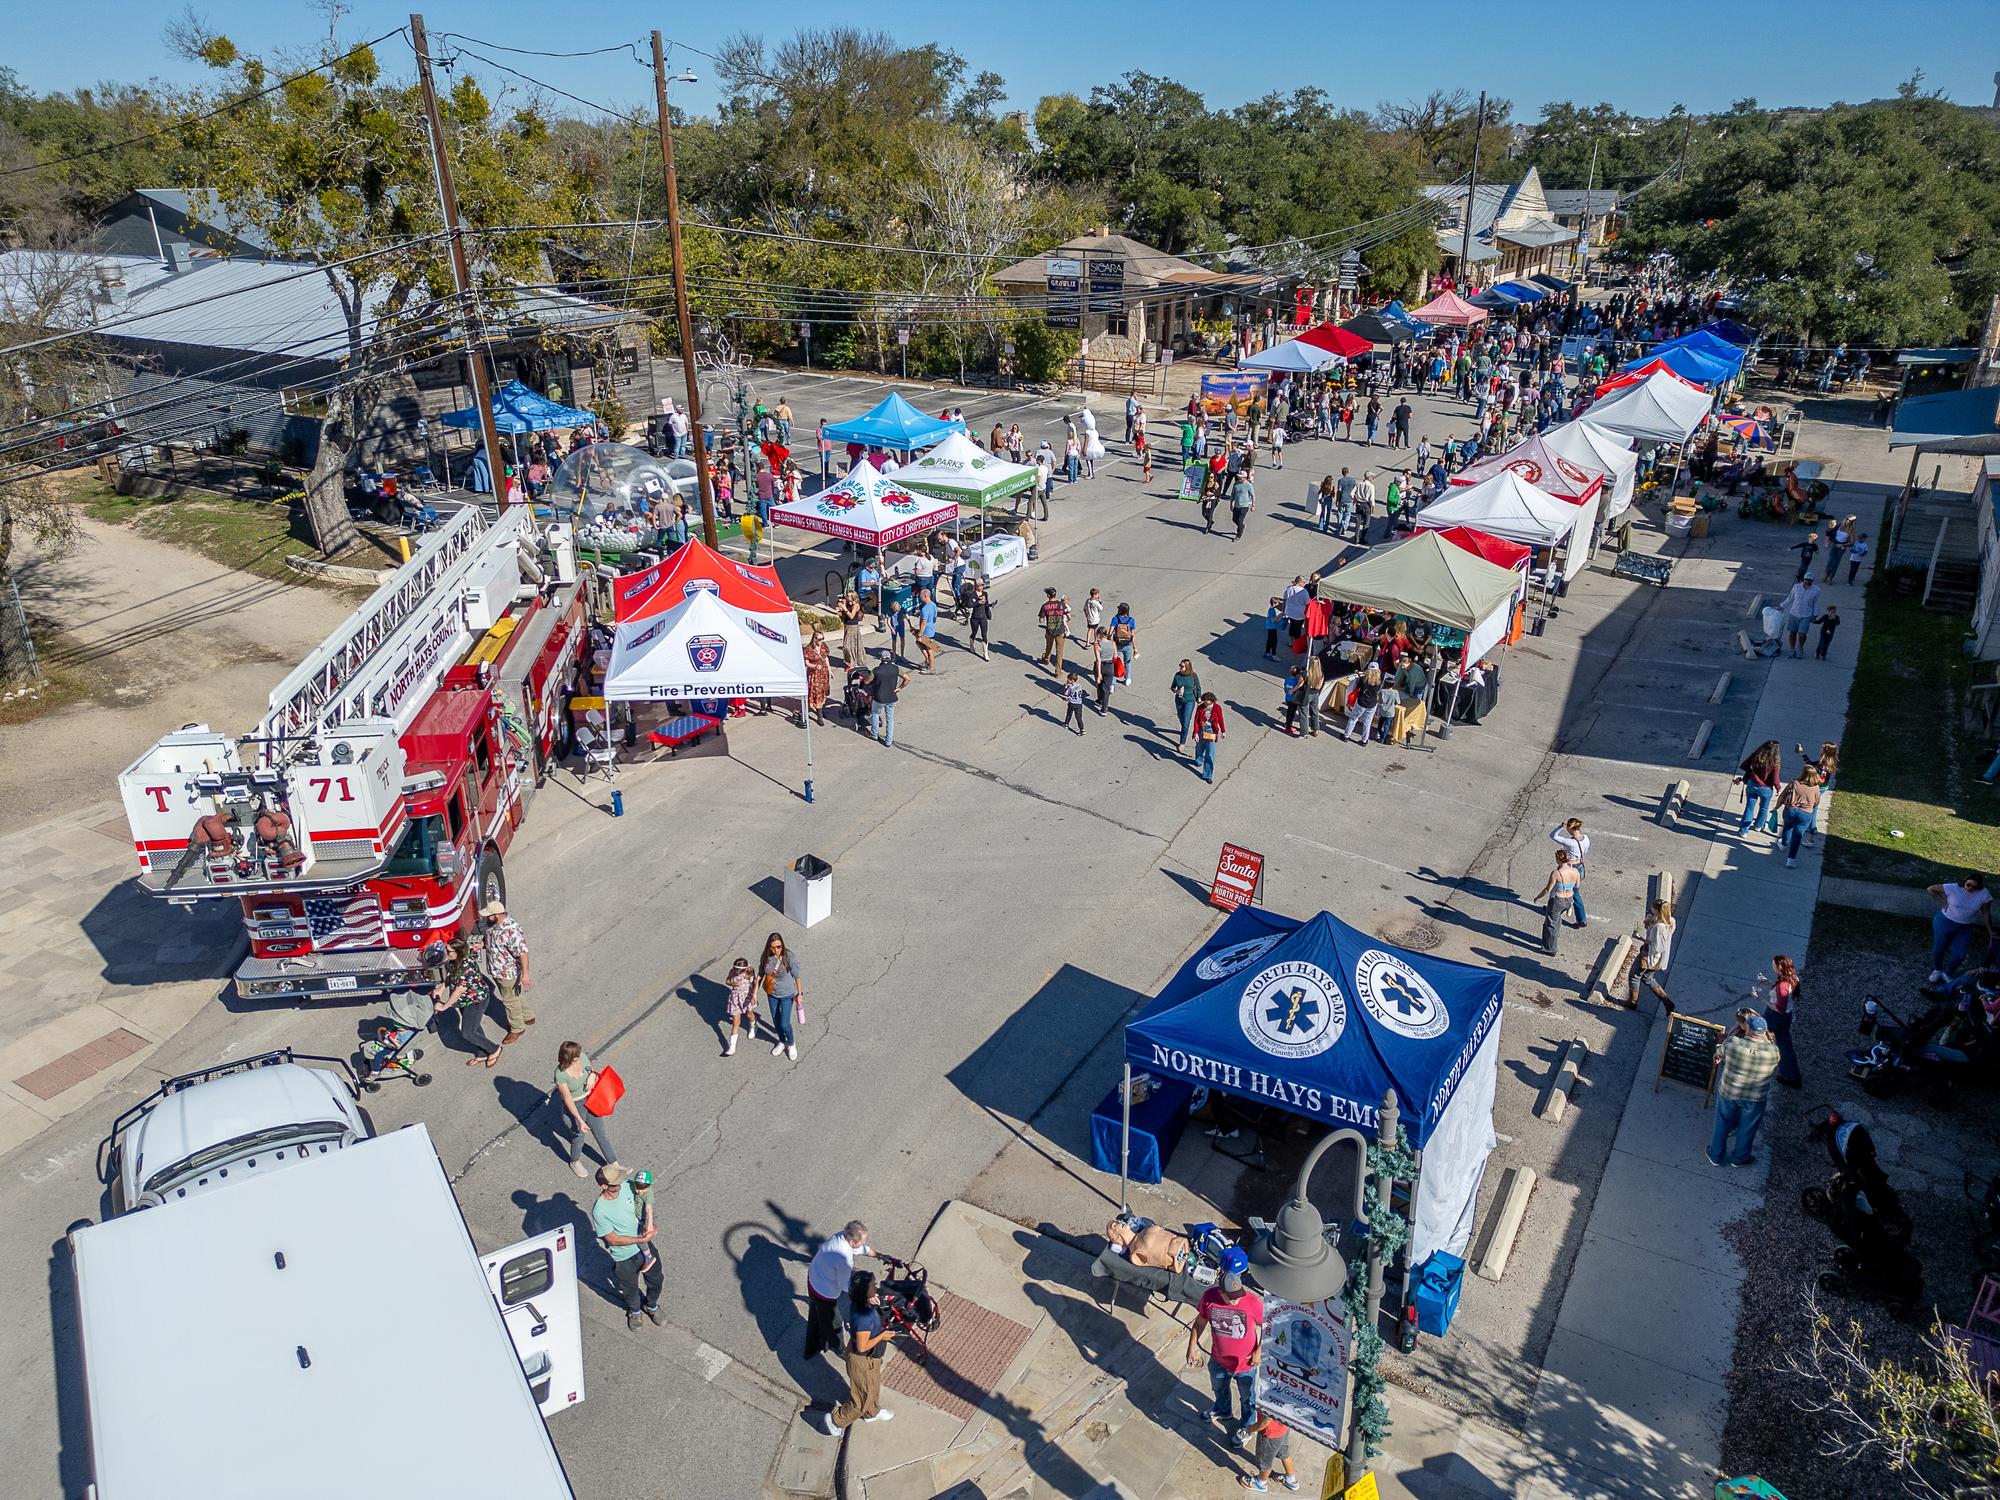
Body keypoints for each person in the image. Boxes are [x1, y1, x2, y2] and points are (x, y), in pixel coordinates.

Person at [1186, 1250, 1263, 1443]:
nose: (1236, 1300)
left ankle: (1247, 1425)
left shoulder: (1252, 1301)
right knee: (1219, 1389)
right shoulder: (1209, 1297)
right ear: (1220, 1292)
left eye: (1238, 1295)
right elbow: (1200, 1322)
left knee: (1248, 1399)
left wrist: (1258, 1350)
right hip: (1219, 1360)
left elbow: (1269, 1327)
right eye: (1231, 1297)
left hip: (1245, 1365)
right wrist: (1192, 1347)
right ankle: (1223, 1410)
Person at [816, 1270, 896, 1434]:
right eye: (873, 1285)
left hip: (870, 1358)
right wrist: (882, 1336)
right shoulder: (863, 1317)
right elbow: (862, 1346)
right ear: (864, 1291)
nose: (876, 1287)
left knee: (872, 1387)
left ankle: (871, 1412)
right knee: (861, 1399)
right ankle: (835, 1421)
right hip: (862, 1360)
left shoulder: (860, 1303)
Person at [591, 1164, 662, 1331]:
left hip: (644, 1244)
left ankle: (651, 1305)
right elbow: (612, 1239)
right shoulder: (600, 1211)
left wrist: (649, 1221)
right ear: (604, 1186)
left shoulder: (628, 1186)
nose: (621, 1183)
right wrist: (640, 1240)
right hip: (624, 1257)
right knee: (630, 1289)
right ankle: (635, 1311)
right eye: (616, 1182)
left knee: (656, 1279)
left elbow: (647, 1192)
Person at [1708, 1010, 1779, 1167]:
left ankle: (1716, 1155)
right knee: (1748, 1128)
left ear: (1748, 1029)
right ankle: (1740, 1158)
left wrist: (1720, 1046)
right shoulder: (1773, 1052)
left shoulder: (1732, 1043)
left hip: (1729, 1092)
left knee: (1722, 1123)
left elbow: (1718, 1052)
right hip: (1755, 1097)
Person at [805, 1220, 873, 1361]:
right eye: (863, 1241)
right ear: (852, 1241)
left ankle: (814, 1345)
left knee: (816, 1315)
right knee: (834, 1323)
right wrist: (866, 1295)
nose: (864, 1243)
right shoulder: (843, 1258)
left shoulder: (841, 1236)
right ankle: (839, 1348)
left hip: (814, 1279)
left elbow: (859, 1248)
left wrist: (879, 1255)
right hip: (824, 1293)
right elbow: (844, 1284)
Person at [552, 1040, 619, 1176]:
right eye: (576, 1057)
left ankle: (615, 1164)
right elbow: (567, 1099)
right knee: (579, 1136)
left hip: (591, 1099)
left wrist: (592, 1075)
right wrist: (580, 1121)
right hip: (575, 1105)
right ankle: (575, 1162)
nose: (580, 1057)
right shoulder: (560, 1074)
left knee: (601, 1133)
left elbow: (591, 1070)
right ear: (570, 1058)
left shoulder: (582, 1057)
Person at [432, 936, 500, 1067]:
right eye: (446, 949)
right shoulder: (453, 962)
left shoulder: (465, 968)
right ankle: (482, 1052)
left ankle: (493, 1049)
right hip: (465, 1001)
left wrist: (444, 1006)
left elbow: (459, 990)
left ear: (458, 952)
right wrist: (441, 989)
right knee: (474, 1027)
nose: (446, 953)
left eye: (449, 951)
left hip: (475, 1001)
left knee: (468, 1033)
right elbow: (450, 976)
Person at [479, 899, 535, 1043]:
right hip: (497, 969)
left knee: (509, 1001)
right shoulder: (494, 925)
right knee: (516, 994)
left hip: (506, 972)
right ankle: (527, 1016)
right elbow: (492, 939)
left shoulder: (511, 931)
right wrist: (482, 944)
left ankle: (517, 1028)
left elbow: (523, 952)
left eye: (489, 915)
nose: (486, 918)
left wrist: (526, 974)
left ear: (497, 915)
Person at [1927, 874, 1994, 983]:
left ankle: (1948, 973)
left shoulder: (1984, 894)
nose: (1970, 888)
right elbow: (1931, 889)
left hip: (1964, 928)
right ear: (1965, 882)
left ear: (1979, 887)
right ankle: (1937, 969)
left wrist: (1990, 930)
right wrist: (1944, 903)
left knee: (1960, 954)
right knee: (1940, 948)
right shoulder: (1953, 888)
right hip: (1944, 922)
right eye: (1968, 885)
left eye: (1975, 887)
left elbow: (1986, 912)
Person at [1757, 954, 1804, 1088]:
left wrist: (1761, 999)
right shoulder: (1792, 978)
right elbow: (1780, 994)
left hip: (1775, 1016)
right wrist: (1768, 983)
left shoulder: (1782, 986)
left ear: (1780, 967)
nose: (1772, 966)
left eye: (1774, 964)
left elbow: (1780, 1008)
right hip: (1786, 1017)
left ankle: (1746, 1058)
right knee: (1784, 1045)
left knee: (1755, 1030)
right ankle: (1791, 1075)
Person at [758, 932, 804, 1060]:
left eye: (779, 947)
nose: (776, 950)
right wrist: (754, 993)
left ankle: (791, 1043)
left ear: (782, 945)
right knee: (776, 1021)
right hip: (772, 994)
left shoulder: (789, 957)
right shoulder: (766, 957)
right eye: (773, 947)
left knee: (784, 1023)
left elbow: (797, 976)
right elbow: (761, 974)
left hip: (787, 994)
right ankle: (782, 1041)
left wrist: (800, 994)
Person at [1627, 897, 1676, 1009]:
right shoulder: (1671, 921)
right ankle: (1667, 1001)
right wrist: (1650, 922)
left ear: (1657, 910)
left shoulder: (1659, 927)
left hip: (1649, 955)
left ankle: (1632, 1002)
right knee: (1648, 978)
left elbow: (1656, 945)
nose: (1651, 910)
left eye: (1653, 909)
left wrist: (1639, 937)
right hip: (1659, 958)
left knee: (1634, 976)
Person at [1533, 847, 1582, 957]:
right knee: (1557, 922)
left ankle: (1550, 949)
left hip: (1557, 900)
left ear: (1559, 860)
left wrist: (1537, 898)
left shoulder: (1556, 873)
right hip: (1569, 899)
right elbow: (1577, 886)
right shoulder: (1575, 871)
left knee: (1551, 924)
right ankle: (1549, 941)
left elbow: (1547, 889)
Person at [1237, 1408, 1298, 1493]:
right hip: (1282, 1428)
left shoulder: (1271, 1403)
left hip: (1269, 1435)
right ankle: (1291, 1480)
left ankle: (1261, 1483)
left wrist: (1250, 1429)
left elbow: (1265, 1422)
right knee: (1284, 1454)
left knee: (1264, 1461)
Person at [1735, 740, 1784, 837]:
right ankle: (1758, 826)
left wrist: (1752, 773)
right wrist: (1778, 788)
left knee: (1749, 808)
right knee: (1764, 808)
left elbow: (1744, 765)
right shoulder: (1775, 763)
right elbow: (1775, 780)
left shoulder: (1756, 756)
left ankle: (1743, 831)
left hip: (1752, 784)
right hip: (1766, 788)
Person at [1775, 766, 1822, 867]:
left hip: (1790, 810)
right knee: (1797, 836)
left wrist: (1777, 806)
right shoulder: (1816, 788)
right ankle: (1791, 860)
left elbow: (1783, 795)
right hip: (1805, 814)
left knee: (1787, 827)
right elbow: (1817, 802)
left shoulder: (1794, 783)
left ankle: (1784, 844)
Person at [1551, 818, 1591, 928]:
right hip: (1580, 867)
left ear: (1570, 828)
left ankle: (1558, 908)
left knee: (1558, 888)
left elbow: (1553, 836)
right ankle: (1581, 918)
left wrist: (1560, 827)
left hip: (1570, 868)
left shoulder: (1570, 842)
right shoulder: (1586, 838)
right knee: (1574, 891)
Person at [721, 955, 760, 1056]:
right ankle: (732, 1047)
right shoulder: (732, 971)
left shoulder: (749, 972)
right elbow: (727, 981)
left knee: (749, 1014)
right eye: (735, 970)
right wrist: (733, 984)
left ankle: (753, 1025)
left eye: (738, 971)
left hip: (747, 997)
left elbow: (755, 984)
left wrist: (754, 996)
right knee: (735, 1022)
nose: (736, 972)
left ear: (744, 969)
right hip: (735, 998)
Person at [868, 651, 907, 748]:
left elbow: (867, 681)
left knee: (875, 714)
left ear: (881, 658)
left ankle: (874, 734)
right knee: (890, 719)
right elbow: (907, 679)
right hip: (892, 697)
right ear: (890, 658)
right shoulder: (896, 668)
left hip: (879, 698)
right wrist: (899, 688)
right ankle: (888, 741)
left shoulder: (876, 670)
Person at [1779, 574, 1821, 659]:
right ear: (1803, 579)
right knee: (1792, 633)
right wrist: (1781, 606)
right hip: (1794, 613)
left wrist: (1815, 615)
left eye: (1810, 580)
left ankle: (1800, 648)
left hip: (1806, 615)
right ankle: (1792, 649)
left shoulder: (1816, 590)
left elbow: (1816, 603)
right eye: (1806, 579)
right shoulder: (1796, 587)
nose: (1807, 581)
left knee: (1802, 634)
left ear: (1812, 581)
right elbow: (1790, 599)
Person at [1343, 665, 1383, 745]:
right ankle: (1364, 740)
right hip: (1372, 703)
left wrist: (1359, 675)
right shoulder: (1379, 682)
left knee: (1353, 719)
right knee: (1367, 723)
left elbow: (1356, 686)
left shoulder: (1363, 679)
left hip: (1361, 702)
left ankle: (1346, 736)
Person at [1192, 692, 1226, 782]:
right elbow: (1196, 720)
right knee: (1199, 747)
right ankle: (1199, 760)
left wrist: (1223, 731)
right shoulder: (1200, 707)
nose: (1206, 704)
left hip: (1212, 732)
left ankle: (1207, 775)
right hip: (1201, 730)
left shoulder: (1217, 708)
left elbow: (1221, 719)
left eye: (1208, 702)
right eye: (1205, 702)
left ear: (1212, 701)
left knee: (1210, 753)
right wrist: (1195, 733)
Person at [1037, 588, 1070, 674]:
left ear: (1048, 595)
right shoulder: (1061, 605)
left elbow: (1041, 620)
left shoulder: (1045, 606)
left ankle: (1046, 658)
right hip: (1060, 631)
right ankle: (1058, 672)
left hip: (1050, 631)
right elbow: (1069, 616)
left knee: (1048, 647)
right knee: (1059, 651)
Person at [804, 629, 832, 725]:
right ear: (814, 639)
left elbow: (825, 658)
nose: (821, 641)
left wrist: (829, 670)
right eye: (820, 639)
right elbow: (807, 663)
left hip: (824, 673)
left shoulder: (823, 646)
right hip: (814, 675)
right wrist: (815, 666)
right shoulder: (808, 649)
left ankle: (821, 710)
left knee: (824, 691)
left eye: (823, 638)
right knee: (817, 693)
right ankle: (819, 716)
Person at [1171, 660, 1201, 748]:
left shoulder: (1193, 676)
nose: (1180, 667)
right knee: (1181, 718)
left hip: (1190, 700)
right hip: (1179, 700)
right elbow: (1172, 687)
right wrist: (1177, 691)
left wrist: (1199, 698)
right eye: (1180, 665)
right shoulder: (1177, 675)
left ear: (1187, 667)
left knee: (1186, 721)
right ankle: (1185, 729)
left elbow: (1198, 688)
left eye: (1182, 666)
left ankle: (1182, 742)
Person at [837, 592, 866, 670]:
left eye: (849, 596)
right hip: (847, 626)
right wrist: (840, 610)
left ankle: (851, 663)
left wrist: (844, 608)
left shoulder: (856, 605)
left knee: (849, 645)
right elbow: (844, 615)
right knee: (848, 645)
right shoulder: (848, 604)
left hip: (853, 626)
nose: (847, 597)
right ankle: (850, 661)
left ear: (853, 597)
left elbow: (851, 616)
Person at [1110, 603, 1137, 685]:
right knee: (1127, 662)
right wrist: (1135, 648)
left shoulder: (1115, 619)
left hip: (1117, 645)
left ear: (1120, 610)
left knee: (1115, 663)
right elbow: (1133, 635)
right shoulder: (1131, 620)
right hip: (1128, 644)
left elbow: (1110, 632)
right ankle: (1127, 679)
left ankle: (1113, 683)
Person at [914, 590, 939, 674]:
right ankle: (927, 662)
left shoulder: (925, 609)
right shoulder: (933, 605)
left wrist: (919, 635)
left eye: (921, 596)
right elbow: (934, 617)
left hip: (926, 632)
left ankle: (931, 668)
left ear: (925, 596)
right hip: (931, 630)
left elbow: (923, 623)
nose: (919, 598)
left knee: (929, 650)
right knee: (920, 644)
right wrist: (920, 613)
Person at [967, 581, 992, 660]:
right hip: (975, 618)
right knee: (974, 633)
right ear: (976, 586)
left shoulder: (985, 594)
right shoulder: (972, 595)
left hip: (983, 617)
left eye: (982, 585)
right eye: (980, 586)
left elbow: (986, 605)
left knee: (984, 635)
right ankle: (972, 643)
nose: (981, 587)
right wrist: (978, 602)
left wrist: (989, 605)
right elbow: (969, 605)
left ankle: (985, 653)